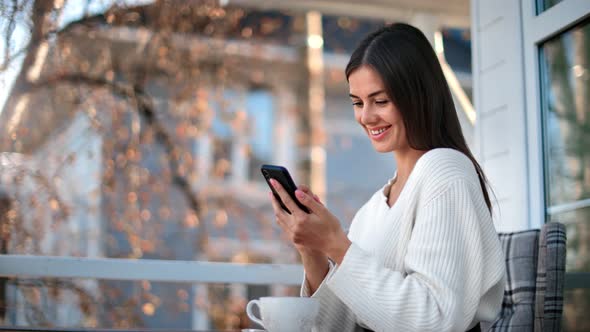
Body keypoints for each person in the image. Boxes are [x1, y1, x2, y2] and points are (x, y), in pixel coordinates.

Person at [267, 23, 506, 332]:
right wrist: (313, 251)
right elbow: (334, 326)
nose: (366, 117)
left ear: (417, 96)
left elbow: (433, 319)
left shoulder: (447, 172)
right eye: (357, 102)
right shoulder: (373, 210)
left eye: (380, 101)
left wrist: (336, 243)